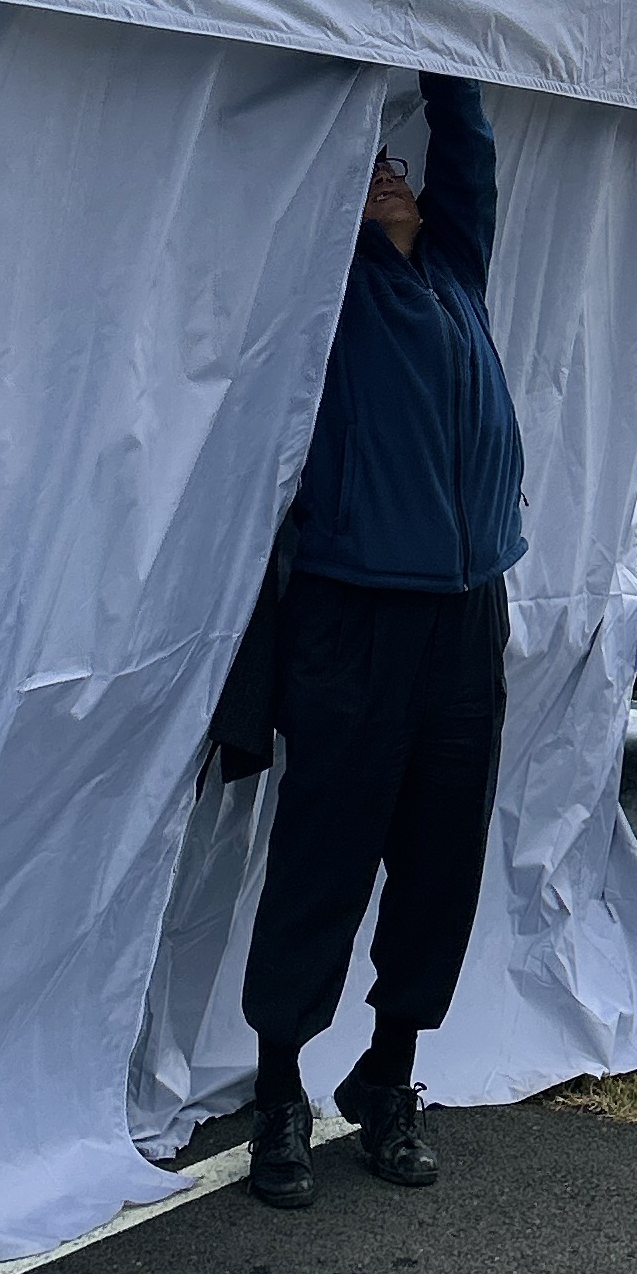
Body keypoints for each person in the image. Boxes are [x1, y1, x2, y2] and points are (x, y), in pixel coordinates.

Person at [234, 71, 525, 1209]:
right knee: (326, 853)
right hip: (354, 606)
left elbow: (470, 156)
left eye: (392, 165)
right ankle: (277, 1093)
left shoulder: (455, 272)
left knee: (443, 860)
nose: (388, 177)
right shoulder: (333, 287)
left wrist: (451, 61)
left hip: (468, 610)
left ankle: (388, 1077)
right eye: (364, 173)